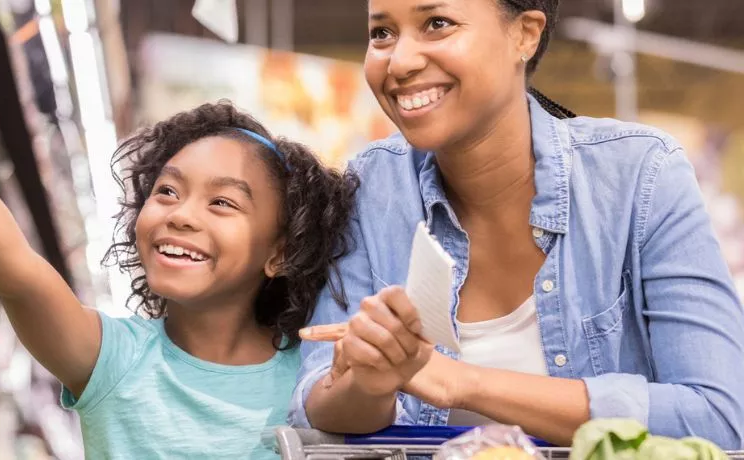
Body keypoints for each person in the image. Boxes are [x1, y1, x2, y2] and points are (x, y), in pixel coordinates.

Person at [0, 17, 359, 459]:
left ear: (280, 252)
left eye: (222, 202)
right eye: (166, 191)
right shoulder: (111, 359)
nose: (181, 215)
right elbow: (15, 270)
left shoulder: (314, 382)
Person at [292, 0, 744, 449]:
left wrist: (465, 382)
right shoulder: (368, 189)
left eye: (437, 24)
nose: (401, 61)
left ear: (524, 34)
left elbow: (720, 417)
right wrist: (369, 383)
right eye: (382, 34)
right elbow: (319, 410)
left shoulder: (640, 178)